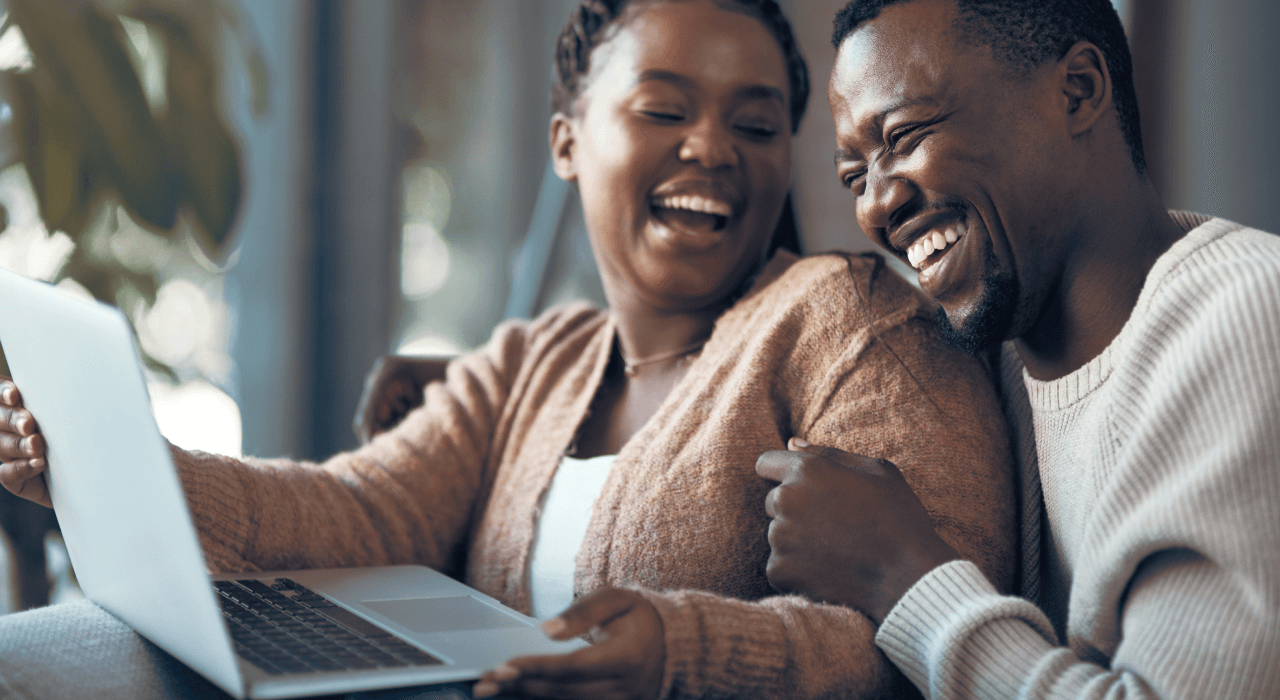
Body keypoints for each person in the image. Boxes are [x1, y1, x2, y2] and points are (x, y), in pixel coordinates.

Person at [0, 1, 1018, 698]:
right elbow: (361, 509)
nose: (712, 147)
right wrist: (122, 467)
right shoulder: (538, 360)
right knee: (51, 654)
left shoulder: (850, 322)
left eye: (755, 125)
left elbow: (924, 631)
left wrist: (675, 650)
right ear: (567, 141)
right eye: (664, 108)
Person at [756, 0, 1280, 698]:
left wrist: (902, 574)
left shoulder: (1248, 313)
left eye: (905, 134)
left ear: (1078, 92)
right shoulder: (982, 370)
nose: (877, 207)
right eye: (856, 176)